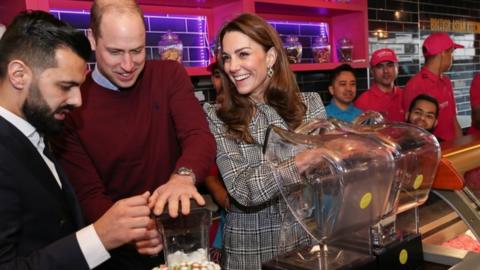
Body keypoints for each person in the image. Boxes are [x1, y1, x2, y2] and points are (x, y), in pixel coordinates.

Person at [51, 1, 216, 269]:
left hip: (180, 241)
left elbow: (198, 135)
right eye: (115, 52)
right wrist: (136, 231)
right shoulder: (73, 102)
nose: (128, 65)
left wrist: (183, 177)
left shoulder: (169, 75)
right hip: (119, 253)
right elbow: (89, 195)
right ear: (92, 39)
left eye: (137, 51)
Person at [0, 10, 157, 270]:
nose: (77, 100)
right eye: (65, 86)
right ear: (18, 75)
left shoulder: (35, 132)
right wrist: (100, 236)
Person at [204, 13, 327, 270]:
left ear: (270, 57)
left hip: (302, 248)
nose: (232, 66)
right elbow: (242, 189)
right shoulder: (217, 116)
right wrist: (300, 161)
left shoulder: (309, 104)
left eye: (243, 54)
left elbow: (324, 175)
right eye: (227, 57)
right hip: (249, 256)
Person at [403, 33, 464, 141]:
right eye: (451, 52)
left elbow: (453, 121)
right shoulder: (415, 85)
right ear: (443, 53)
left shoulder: (446, 82)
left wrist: (460, 146)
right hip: (432, 153)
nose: (452, 57)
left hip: (452, 151)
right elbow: (412, 131)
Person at [355, 48, 405, 121]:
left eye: (390, 65)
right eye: (380, 67)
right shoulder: (362, 102)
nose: (386, 71)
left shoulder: (405, 96)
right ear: (372, 71)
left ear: (397, 68)